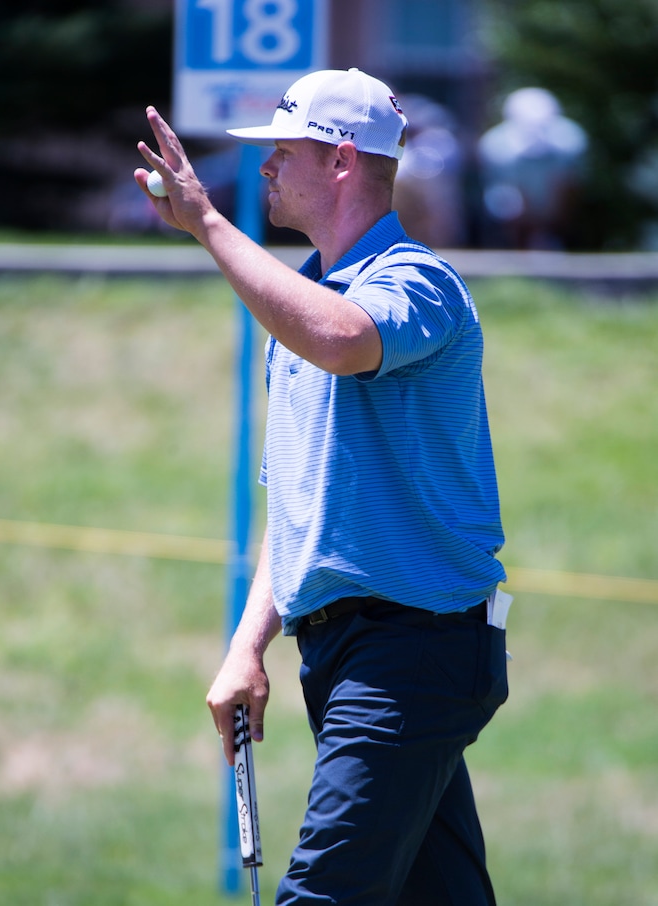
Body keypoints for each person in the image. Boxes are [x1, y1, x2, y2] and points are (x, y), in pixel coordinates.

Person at [135, 67, 509, 906]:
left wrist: (207, 225)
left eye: (282, 152)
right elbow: (298, 503)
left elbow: (345, 339)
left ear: (342, 161)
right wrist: (245, 648)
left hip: (416, 649)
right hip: (347, 653)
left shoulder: (417, 282)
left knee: (322, 896)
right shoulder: (305, 302)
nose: (264, 168)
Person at [477, 86, 588, 249]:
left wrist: (555, 223)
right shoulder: (495, 145)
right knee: (507, 204)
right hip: (514, 206)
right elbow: (510, 193)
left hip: (552, 209)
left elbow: (567, 189)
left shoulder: (571, 141)